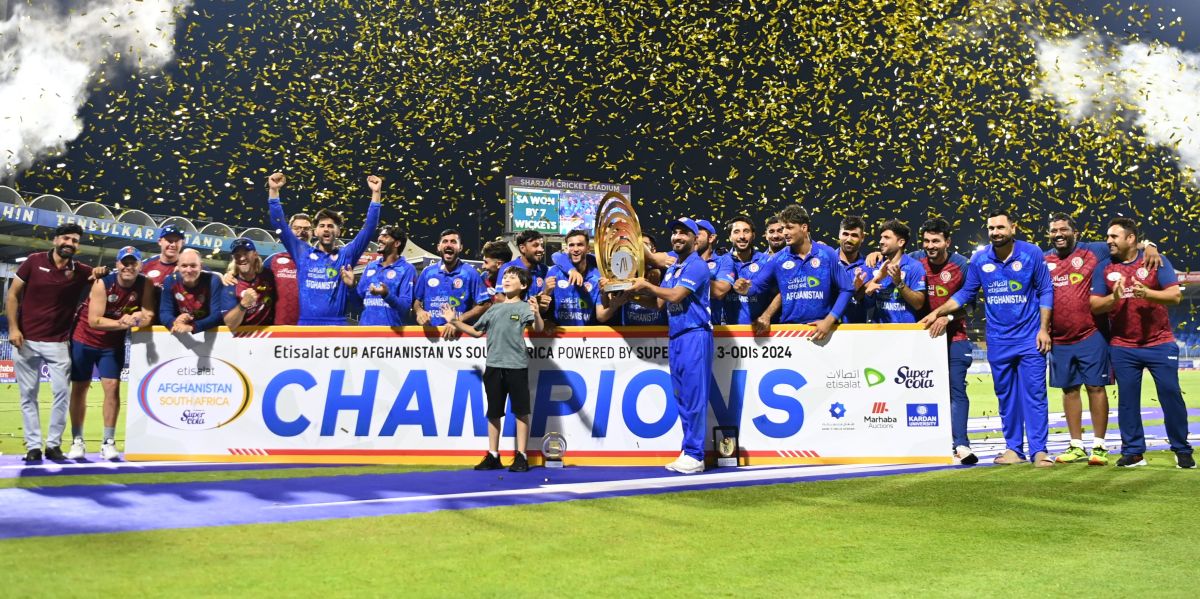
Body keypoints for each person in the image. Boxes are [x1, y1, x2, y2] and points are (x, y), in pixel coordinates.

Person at [920, 210, 1054, 467]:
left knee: (1034, 395)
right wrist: (937, 312)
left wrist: (1044, 329)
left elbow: (1046, 290)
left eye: (1001, 227)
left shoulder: (1031, 253)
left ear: (1013, 228)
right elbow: (966, 294)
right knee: (1006, 397)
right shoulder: (980, 259)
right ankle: (1014, 449)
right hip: (998, 340)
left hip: (1029, 338)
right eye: (991, 228)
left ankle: (1039, 451)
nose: (995, 232)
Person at [1044, 214, 1154, 465]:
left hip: (1091, 334)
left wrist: (1150, 246)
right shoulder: (1044, 258)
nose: (1058, 234)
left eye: (1063, 229)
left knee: (1096, 387)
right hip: (1059, 338)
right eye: (1053, 230)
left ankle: (1100, 446)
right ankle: (1076, 445)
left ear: (1076, 233)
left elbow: (1127, 243)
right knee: (1069, 389)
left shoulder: (1094, 250)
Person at [1090, 217, 1193, 468]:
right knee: (1127, 400)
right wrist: (1113, 298)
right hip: (1123, 346)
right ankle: (1134, 452)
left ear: (1131, 238)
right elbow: (1094, 305)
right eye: (1108, 236)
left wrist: (1147, 293)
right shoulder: (1103, 267)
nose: (1109, 241)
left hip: (1159, 342)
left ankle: (1182, 450)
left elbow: (1175, 295)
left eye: (1114, 236)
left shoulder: (1155, 260)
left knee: (1170, 395)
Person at [627, 217, 714, 474]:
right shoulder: (675, 267)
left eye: (683, 233)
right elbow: (658, 304)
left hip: (695, 335)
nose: (677, 237)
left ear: (695, 239)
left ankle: (696, 455)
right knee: (683, 397)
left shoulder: (697, 266)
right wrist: (629, 293)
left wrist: (646, 285)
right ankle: (688, 450)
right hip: (677, 336)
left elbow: (676, 296)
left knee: (695, 397)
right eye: (675, 233)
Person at [5, 224, 98, 462]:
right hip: (25, 341)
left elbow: (100, 276)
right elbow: (13, 295)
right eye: (66, 238)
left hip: (58, 343)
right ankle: (34, 446)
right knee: (28, 395)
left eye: (75, 240)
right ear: (56, 240)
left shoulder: (81, 270)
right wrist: (13, 328)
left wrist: (103, 272)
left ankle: (53, 445)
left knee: (61, 394)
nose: (70, 243)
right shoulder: (34, 261)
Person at [442, 266, 545, 473]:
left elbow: (538, 329)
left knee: (521, 412)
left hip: (516, 366)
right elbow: (475, 332)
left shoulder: (525, 308)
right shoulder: (494, 309)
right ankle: (493, 455)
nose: (506, 279)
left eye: (512, 277)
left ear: (523, 285)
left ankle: (522, 456)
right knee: (494, 412)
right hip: (493, 367)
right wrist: (454, 321)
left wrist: (537, 314)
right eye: (505, 277)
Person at [267, 172, 381, 325]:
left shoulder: (346, 255)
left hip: (336, 325)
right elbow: (278, 224)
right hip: (307, 325)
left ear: (338, 231)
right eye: (322, 226)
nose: (326, 229)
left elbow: (369, 229)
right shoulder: (302, 253)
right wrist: (274, 191)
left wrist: (376, 193)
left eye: (330, 226)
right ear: (315, 232)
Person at [66, 246, 147, 460]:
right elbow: (95, 321)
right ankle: (77, 440)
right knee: (80, 388)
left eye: (133, 262)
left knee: (112, 388)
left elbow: (149, 313)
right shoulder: (103, 283)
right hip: (84, 339)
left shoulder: (144, 284)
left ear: (140, 265)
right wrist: (123, 323)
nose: (129, 266)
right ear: (118, 264)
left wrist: (138, 316)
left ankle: (108, 442)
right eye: (125, 262)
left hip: (112, 345)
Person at [734, 205, 851, 340]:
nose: (784, 233)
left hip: (822, 330)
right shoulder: (778, 259)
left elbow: (847, 289)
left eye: (789, 227)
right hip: (789, 332)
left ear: (804, 228)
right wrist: (745, 289)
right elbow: (757, 286)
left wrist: (829, 320)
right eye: (783, 228)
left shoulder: (827, 254)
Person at [915, 218, 977, 465]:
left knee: (956, 390)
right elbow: (891, 259)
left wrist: (948, 316)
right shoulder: (914, 259)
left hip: (955, 337)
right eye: (927, 240)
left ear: (947, 242)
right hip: (921, 339)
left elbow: (971, 305)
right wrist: (877, 254)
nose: (930, 246)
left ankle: (961, 443)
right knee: (917, 389)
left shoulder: (961, 265)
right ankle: (922, 441)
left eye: (936, 241)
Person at [413, 229, 491, 339]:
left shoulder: (470, 273)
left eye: (453, 242)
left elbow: (485, 304)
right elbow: (416, 301)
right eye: (445, 241)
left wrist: (457, 321)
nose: (449, 245)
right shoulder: (427, 272)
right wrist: (419, 311)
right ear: (438, 247)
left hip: (459, 337)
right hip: (430, 337)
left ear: (460, 247)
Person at [342, 225, 416, 326]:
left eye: (385, 236)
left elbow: (405, 309)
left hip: (390, 335)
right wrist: (351, 286)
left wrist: (386, 295)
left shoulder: (407, 269)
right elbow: (357, 304)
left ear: (397, 243)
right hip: (365, 332)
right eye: (380, 236)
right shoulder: (371, 267)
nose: (379, 239)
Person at [862, 220, 926, 323]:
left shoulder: (915, 267)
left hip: (905, 332)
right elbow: (866, 305)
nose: (881, 241)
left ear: (901, 242)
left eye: (887, 238)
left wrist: (899, 283)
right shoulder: (874, 263)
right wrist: (869, 293)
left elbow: (918, 304)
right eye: (881, 237)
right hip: (878, 332)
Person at [719, 216, 773, 325]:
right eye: (736, 232)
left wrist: (767, 315)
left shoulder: (766, 261)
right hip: (727, 334)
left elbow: (780, 292)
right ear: (730, 237)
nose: (742, 236)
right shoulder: (720, 262)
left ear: (753, 235)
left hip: (761, 331)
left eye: (746, 231)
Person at [159, 249, 225, 334]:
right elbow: (164, 312)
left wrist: (193, 327)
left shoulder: (213, 280)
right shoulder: (170, 280)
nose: (189, 270)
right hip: (181, 331)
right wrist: (174, 322)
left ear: (201, 266)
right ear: (178, 266)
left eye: (193, 266)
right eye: (184, 266)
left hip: (209, 333)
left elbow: (217, 315)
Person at [265, 212, 313, 326]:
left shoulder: (322, 260)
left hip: (311, 329)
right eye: (296, 228)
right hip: (280, 328)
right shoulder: (274, 260)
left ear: (312, 232)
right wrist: (231, 274)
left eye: (306, 228)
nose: (301, 232)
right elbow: (251, 277)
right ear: (289, 231)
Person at [546, 229, 601, 325]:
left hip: (588, 336)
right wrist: (546, 320)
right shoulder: (554, 272)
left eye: (580, 245)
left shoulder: (597, 276)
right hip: (560, 335)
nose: (575, 249)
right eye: (571, 245)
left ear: (588, 248)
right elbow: (545, 305)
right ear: (566, 249)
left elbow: (601, 315)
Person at [221, 238, 277, 328]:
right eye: (237, 255)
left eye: (246, 253)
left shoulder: (268, 274)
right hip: (243, 338)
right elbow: (230, 324)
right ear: (233, 259)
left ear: (255, 254)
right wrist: (243, 305)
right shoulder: (230, 285)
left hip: (270, 336)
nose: (242, 258)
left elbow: (286, 255)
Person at [140, 223, 186, 324]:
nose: (173, 245)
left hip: (178, 325)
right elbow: (120, 274)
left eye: (177, 241)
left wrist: (225, 277)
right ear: (160, 241)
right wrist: (103, 271)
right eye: (169, 240)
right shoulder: (145, 265)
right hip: (148, 327)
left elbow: (214, 277)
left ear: (183, 243)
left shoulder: (190, 267)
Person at [695, 219, 736, 324]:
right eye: (690, 234)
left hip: (713, 327)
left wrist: (688, 277)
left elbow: (720, 291)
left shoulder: (723, 261)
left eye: (697, 234)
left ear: (711, 238)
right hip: (681, 326)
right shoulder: (679, 258)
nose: (692, 238)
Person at [500, 229, 551, 313]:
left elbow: (542, 302)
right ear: (522, 248)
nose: (541, 249)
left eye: (541, 245)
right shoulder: (508, 268)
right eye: (535, 245)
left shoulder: (544, 270)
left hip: (537, 322)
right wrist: (527, 310)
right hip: (515, 322)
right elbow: (499, 298)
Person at [837, 216, 871, 323]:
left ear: (862, 237)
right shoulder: (826, 262)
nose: (849, 239)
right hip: (827, 331)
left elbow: (870, 304)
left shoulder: (869, 267)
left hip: (856, 332)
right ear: (839, 234)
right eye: (845, 234)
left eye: (854, 235)